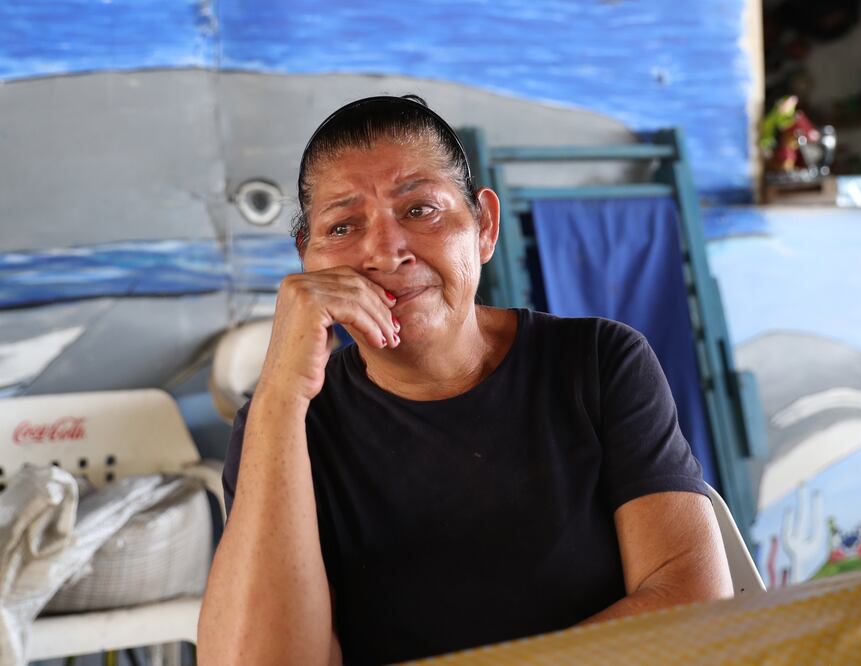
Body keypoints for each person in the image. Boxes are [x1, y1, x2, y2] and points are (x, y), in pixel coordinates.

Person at [197, 95, 733, 666]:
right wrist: (279, 395)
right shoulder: (286, 424)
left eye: (419, 210)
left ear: (484, 226)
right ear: (308, 261)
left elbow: (691, 602)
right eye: (344, 225)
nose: (386, 251)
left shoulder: (598, 362)